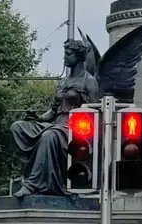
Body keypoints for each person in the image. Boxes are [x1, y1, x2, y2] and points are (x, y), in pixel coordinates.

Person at [10, 40, 99, 197]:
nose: (64, 57)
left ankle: (32, 184)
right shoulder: (63, 81)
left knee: (49, 136)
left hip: (74, 130)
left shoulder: (89, 81)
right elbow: (52, 112)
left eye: (68, 54)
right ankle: (27, 174)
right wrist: (36, 118)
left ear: (78, 56)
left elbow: (95, 113)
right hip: (56, 124)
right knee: (18, 127)